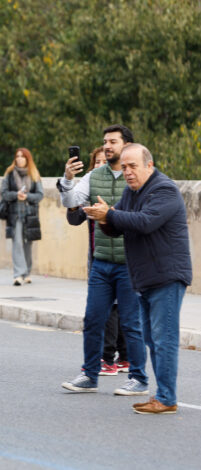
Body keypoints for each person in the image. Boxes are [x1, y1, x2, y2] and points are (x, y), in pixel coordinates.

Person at [84, 144, 192, 414]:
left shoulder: (163, 190)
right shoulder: (131, 193)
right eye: (124, 167)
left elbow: (144, 222)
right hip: (145, 278)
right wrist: (105, 218)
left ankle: (166, 398)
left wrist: (109, 214)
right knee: (153, 340)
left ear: (149, 166)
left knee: (163, 339)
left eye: (133, 166)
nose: (128, 172)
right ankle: (162, 396)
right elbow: (117, 226)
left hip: (166, 277)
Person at [59, 124, 148, 396]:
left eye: (113, 141)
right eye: (105, 142)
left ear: (127, 146)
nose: (107, 146)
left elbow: (146, 217)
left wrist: (110, 214)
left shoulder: (139, 178)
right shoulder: (94, 175)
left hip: (130, 263)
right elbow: (71, 201)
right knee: (93, 319)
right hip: (100, 262)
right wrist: (67, 179)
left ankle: (139, 378)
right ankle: (89, 375)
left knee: (131, 323)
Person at [61, 147, 128, 376]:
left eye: (104, 161)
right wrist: (69, 181)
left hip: (125, 256)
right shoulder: (89, 189)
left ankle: (116, 357)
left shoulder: (126, 187)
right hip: (97, 255)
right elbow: (73, 217)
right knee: (109, 308)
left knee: (120, 308)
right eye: (97, 162)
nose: (101, 165)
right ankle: (111, 357)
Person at [0, 148, 43, 286]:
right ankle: (18, 274)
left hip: (30, 214)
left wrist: (27, 196)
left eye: (22, 156)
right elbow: (4, 193)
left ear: (27, 159)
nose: (19, 159)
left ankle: (27, 273)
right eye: (17, 156)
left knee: (28, 244)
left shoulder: (34, 174)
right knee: (17, 242)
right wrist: (16, 195)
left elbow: (40, 195)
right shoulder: (9, 174)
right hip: (14, 214)